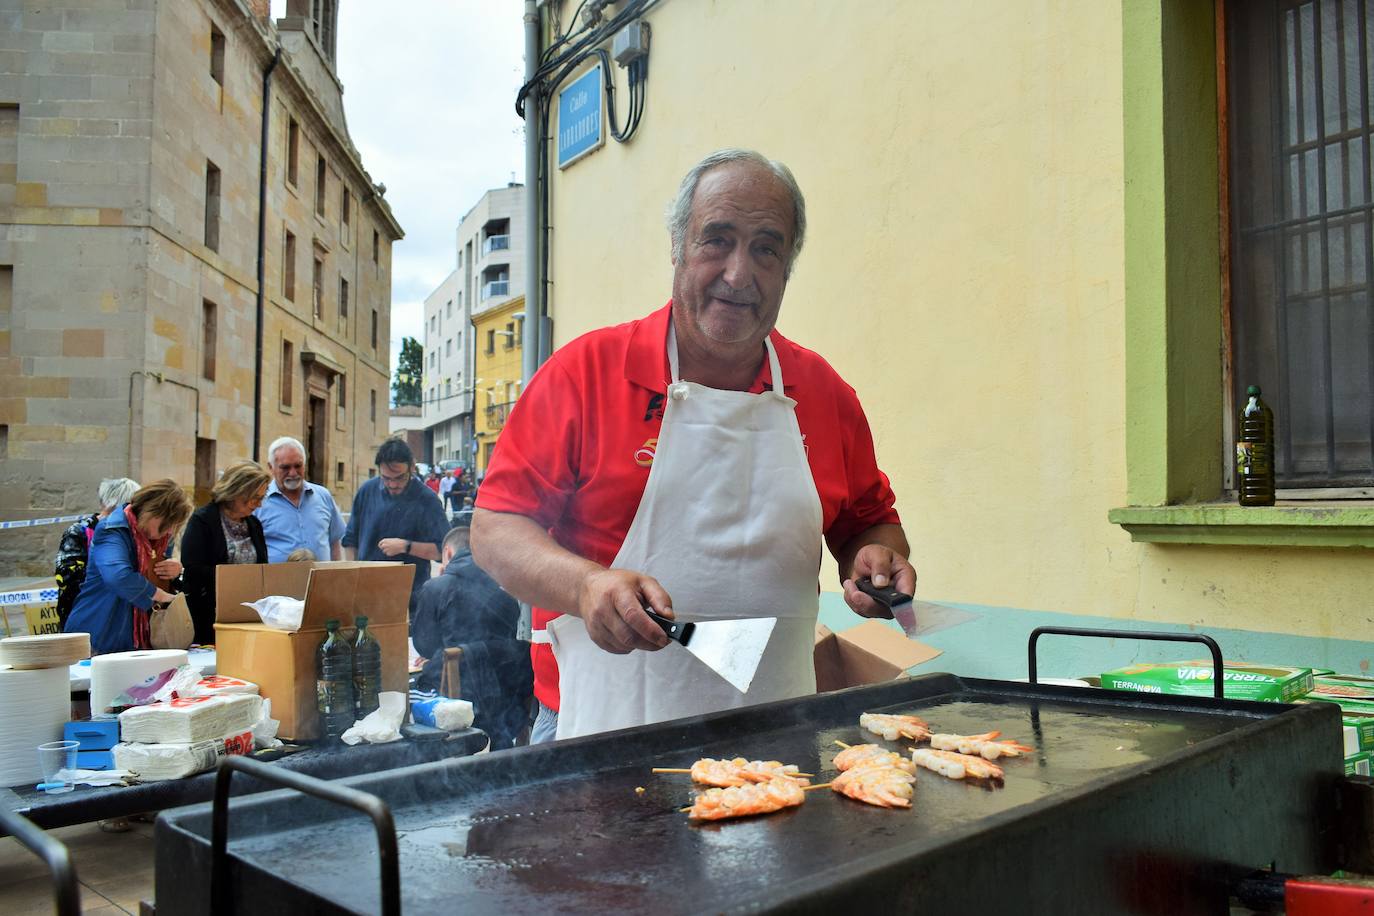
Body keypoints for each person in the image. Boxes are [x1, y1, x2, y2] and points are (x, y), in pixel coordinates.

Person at [471, 148, 915, 743]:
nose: (739, 274)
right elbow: (497, 527)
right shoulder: (587, 371)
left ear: (787, 268)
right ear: (678, 247)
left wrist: (874, 562)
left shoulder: (826, 394)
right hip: (604, 732)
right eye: (718, 240)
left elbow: (871, 524)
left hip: (775, 735)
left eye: (766, 248)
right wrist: (584, 586)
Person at [413, 526, 532, 749]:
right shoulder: (505, 590)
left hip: (458, 694)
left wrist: (443, 655)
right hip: (507, 697)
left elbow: (424, 645)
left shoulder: (436, 587)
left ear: (447, 553)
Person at [64, 479, 193, 654]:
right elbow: (118, 576)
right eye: (168, 523)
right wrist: (162, 596)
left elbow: (158, 576)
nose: (169, 531)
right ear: (153, 513)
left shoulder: (158, 538)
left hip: (139, 640)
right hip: (99, 634)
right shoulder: (111, 529)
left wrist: (175, 570)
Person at [342, 438, 450, 619]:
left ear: (412, 467)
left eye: (400, 477)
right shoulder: (366, 491)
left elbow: (443, 551)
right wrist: (352, 578)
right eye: (386, 478)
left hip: (412, 598)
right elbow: (350, 540)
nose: (392, 485)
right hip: (368, 594)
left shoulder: (427, 500)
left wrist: (405, 546)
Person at [180, 462, 271, 645]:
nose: (259, 504)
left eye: (262, 497)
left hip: (248, 615)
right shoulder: (202, 521)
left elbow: (262, 566)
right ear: (237, 492)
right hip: (210, 617)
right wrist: (234, 577)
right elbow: (193, 569)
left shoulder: (254, 524)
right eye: (254, 497)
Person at [54, 477, 140, 628]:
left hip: (122, 615)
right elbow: (67, 576)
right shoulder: (80, 531)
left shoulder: (130, 532)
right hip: (85, 614)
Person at [254, 436, 346, 563]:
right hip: (277, 581)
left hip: (322, 580)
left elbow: (335, 541)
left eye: (298, 466)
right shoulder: (259, 502)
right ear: (271, 467)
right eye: (285, 467)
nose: (293, 473)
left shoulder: (323, 496)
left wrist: (338, 575)